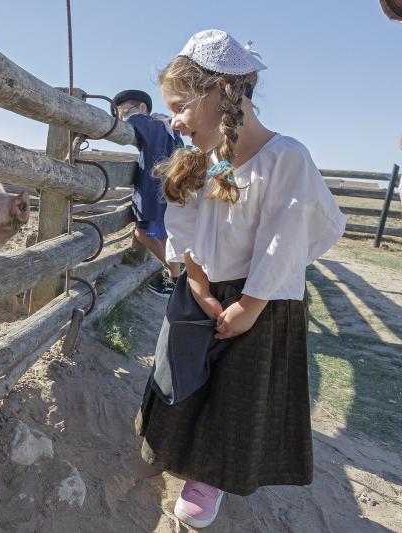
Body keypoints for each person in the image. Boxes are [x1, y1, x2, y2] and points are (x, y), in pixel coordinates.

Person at [133, 29, 347, 528]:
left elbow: (287, 238)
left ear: (220, 93)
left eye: (182, 105)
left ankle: (209, 476)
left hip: (263, 298)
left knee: (235, 391)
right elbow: (184, 228)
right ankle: (178, 448)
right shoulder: (202, 163)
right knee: (185, 373)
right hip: (204, 291)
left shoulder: (285, 157)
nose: (175, 121)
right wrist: (202, 289)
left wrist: (250, 305)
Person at [113, 89, 184, 297]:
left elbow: (132, 122)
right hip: (170, 191)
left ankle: (176, 278)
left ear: (142, 109)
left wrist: (129, 116)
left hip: (153, 193)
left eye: (124, 111)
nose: (123, 117)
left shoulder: (145, 122)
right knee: (162, 236)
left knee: (142, 233)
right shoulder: (167, 127)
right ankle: (177, 274)